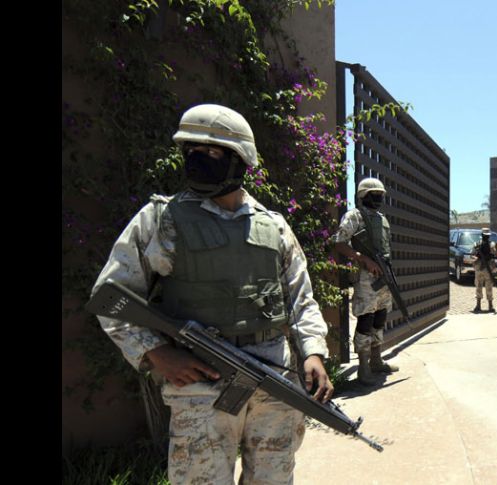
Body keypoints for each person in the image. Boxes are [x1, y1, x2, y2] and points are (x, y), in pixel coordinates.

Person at [91, 104, 334, 485]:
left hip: (273, 377)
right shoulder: (161, 220)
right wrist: (156, 353)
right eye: (191, 153)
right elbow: (111, 299)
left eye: (213, 153)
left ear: (241, 160)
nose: (198, 161)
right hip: (199, 383)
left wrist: (314, 352)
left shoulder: (275, 227)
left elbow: (302, 299)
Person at [331, 178, 400, 386]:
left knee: (380, 316)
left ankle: (377, 359)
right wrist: (363, 258)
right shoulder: (354, 216)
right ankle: (363, 366)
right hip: (365, 278)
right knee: (365, 320)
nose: (378, 198)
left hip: (383, 275)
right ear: (363, 196)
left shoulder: (382, 219)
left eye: (380, 195)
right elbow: (339, 243)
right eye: (374, 194)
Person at [472, 228, 497, 313]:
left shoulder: (492, 245)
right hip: (480, 268)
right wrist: (477, 258)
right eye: (485, 236)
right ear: (482, 235)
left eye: (487, 236)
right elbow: (472, 255)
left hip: (488, 268)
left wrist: (496, 248)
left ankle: (490, 306)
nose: (486, 237)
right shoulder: (477, 244)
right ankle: (478, 305)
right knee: (478, 286)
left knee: (489, 287)